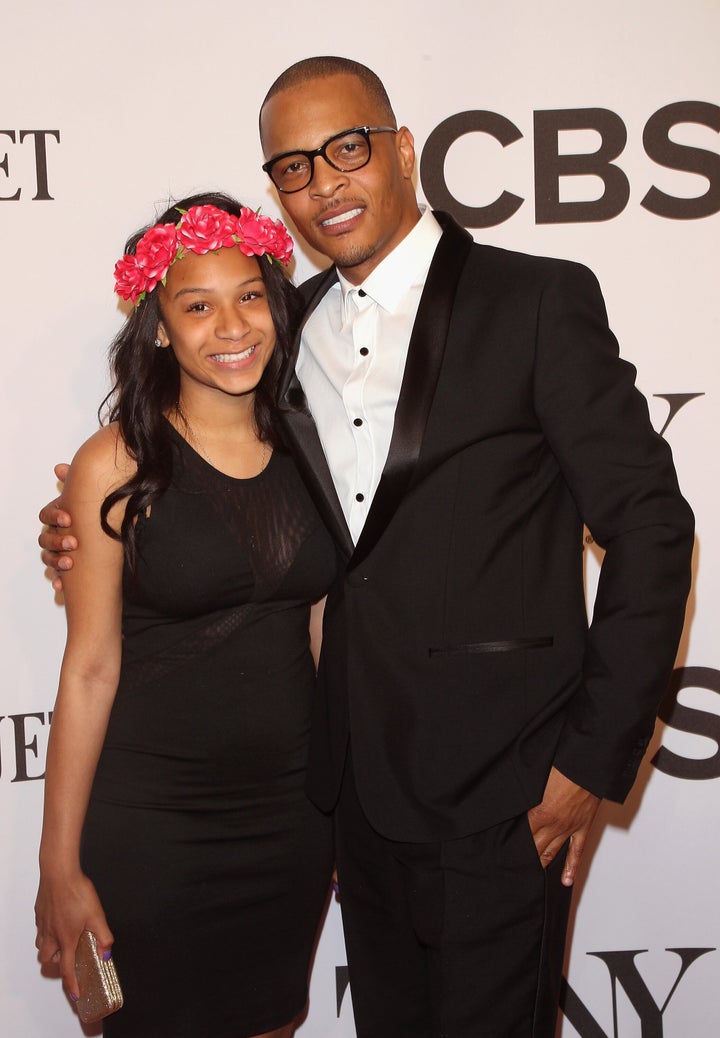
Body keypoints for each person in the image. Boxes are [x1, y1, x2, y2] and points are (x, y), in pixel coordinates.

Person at [40, 58, 695, 1038]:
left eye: (347, 149)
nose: (325, 183)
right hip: (347, 801)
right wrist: (82, 533)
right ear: (278, 193)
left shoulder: (535, 302)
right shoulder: (278, 331)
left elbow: (652, 527)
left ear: (402, 151)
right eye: (295, 167)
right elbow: (218, 498)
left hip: (504, 791)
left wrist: (592, 762)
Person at [34, 192, 336, 1038]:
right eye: (196, 305)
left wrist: (347, 802)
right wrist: (59, 863)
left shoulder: (316, 446)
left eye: (248, 296)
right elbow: (90, 668)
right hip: (152, 831)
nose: (230, 326)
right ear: (159, 327)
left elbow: (320, 633)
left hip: (289, 825)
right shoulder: (115, 463)